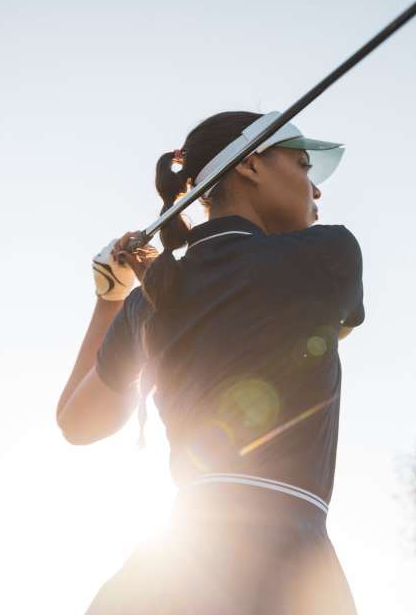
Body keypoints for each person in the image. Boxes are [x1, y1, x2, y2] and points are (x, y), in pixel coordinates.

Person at [55, 110, 364, 614]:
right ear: (250, 166)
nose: (317, 190)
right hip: (288, 573)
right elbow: (328, 327)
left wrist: (111, 296)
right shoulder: (329, 255)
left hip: (168, 572)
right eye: (303, 163)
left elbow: (79, 422)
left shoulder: (153, 297)